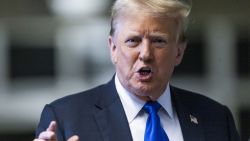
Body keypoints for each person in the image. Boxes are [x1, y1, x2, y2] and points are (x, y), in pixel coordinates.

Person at [34, 0, 240, 141]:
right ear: (113, 48)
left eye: (159, 41)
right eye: (133, 41)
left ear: (179, 52)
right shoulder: (65, 118)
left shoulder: (216, 118)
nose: (145, 54)